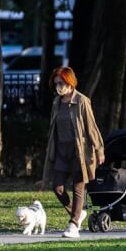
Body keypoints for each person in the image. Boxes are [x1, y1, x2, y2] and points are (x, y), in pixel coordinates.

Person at [40, 66, 105, 238]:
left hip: (80, 151)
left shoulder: (82, 101)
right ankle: (77, 212)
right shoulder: (56, 103)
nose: (58, 87)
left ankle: (74, 224)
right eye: (56, 84)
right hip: (61, 150)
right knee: (57, 187)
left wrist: (99, 149)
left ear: (70, 82)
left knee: (78, 187)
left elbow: (91, 128)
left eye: (61, 83)